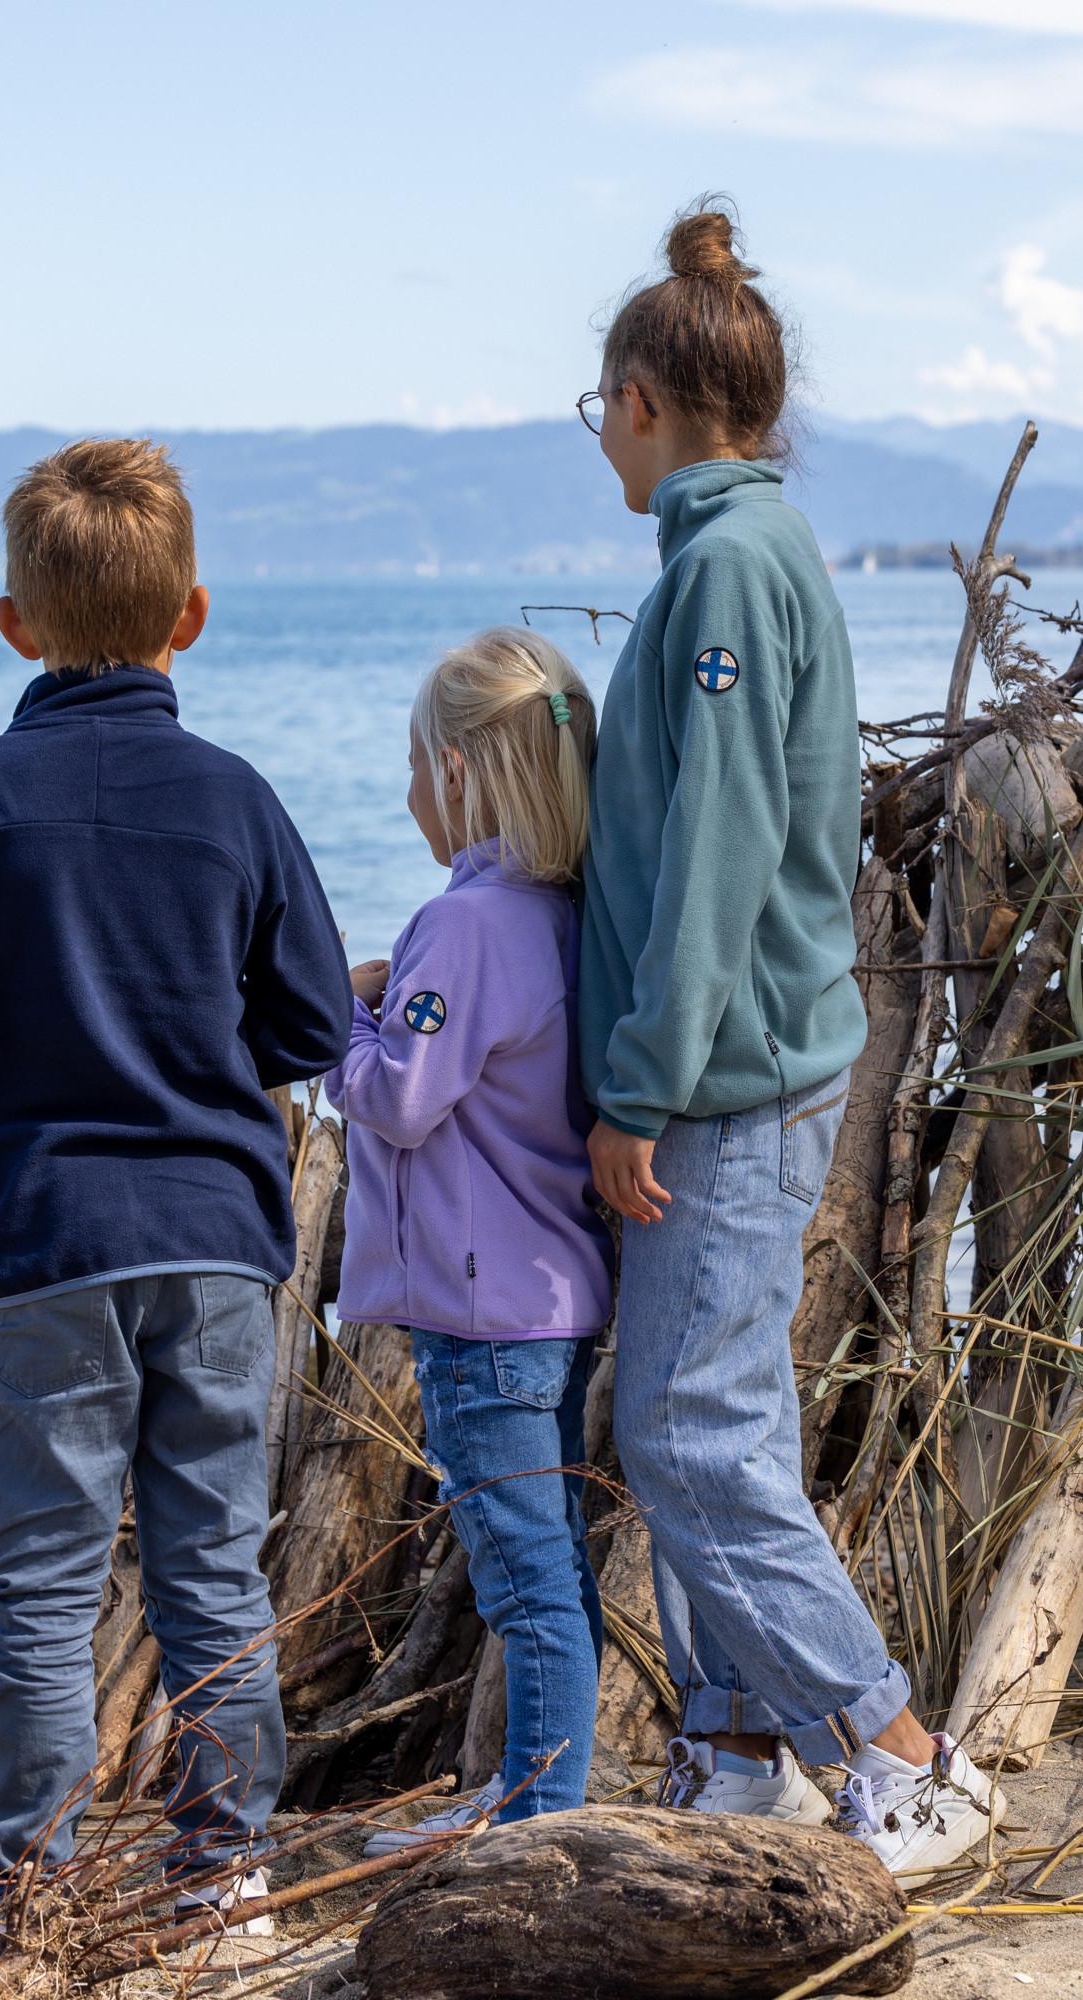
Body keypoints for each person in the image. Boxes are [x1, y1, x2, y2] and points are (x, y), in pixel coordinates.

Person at [0, 438, 353, 1956]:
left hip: (39, 1237)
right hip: (211, 1239)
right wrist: (206, 1061)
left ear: (15, 624)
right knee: (209, 1564)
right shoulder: (233, 799)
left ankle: (26, 1888)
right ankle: (227, 1877)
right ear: (190, 615)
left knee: (46, 1586)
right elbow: (318, 1021)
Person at [578, 200, 999, 1879]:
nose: (600, 434)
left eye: (599, 408)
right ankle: (737, 1752)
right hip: (741, 1064)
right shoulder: (728, 556)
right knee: (712, 1419)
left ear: (641, 400)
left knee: (683, 1431)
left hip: (726, 1080)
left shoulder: (728, 570)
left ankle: (899, 1755)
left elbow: (718, 857)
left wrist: (638, 1083)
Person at [324, 629, 615, 1853]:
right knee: (546, 1567)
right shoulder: (557, 912)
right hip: (548, 1296)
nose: (402, 793)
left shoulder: (465, 925)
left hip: (479, 1312)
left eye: (408, 765)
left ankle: (539, 1814)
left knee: (520, 1574)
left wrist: (341, 1013)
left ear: (456, 770)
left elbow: (396, 1095)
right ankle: (532, 1793)